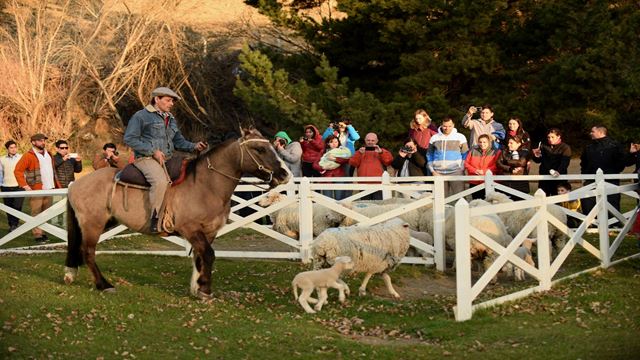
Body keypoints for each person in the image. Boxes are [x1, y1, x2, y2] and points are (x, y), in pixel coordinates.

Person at [123, 87, 207, 233]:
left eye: (172, 101)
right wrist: (152, 151)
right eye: (168, 100)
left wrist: (194, 146)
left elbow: (179, 141)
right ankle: (155, 219)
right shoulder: (141, 116)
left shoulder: (171, 119)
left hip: (167, 158)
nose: (171, 104)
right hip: (145, 158)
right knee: (161, 181)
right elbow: (129, 138)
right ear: (157, 99)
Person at [14, 133, 60, 242]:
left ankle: (43, 232)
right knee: (36, 212)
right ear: (33, 142)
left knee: (46, 212)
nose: (43, 142)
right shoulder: (28, 155)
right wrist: (25, 185)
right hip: (36, 188)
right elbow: (18, 171)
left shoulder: (49, 154)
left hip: (50, 188)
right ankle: (38, 235)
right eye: (40, 141)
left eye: (44, 140)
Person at [580, 125, 630, 216]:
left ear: (600, 132)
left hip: (611, 179)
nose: (590, 133)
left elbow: (622, 161)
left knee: (611, 202)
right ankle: (590, 223)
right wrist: (584, 175)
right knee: (588, 201)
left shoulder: (614, 145)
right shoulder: (589, 147)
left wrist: (613, 172)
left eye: (592, 131)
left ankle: (613, 223)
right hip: (591, 180)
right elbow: (584, 163)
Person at [427, 116, 469, 197]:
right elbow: (429, 154)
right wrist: (432, 171)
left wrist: (462, 168)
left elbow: (465, 154)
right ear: (441, 125)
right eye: (445, 126)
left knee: (460, 198)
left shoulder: (460, 137)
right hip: (438, 173)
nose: (447, 128)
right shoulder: (434, 138)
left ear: (453, 125)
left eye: (450, 126)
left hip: (456, 172)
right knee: (441, 200)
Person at [349, 132, 393, 200]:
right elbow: (353, 163)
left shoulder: (382, 151)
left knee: (379, 206)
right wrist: (359, 154)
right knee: (366, 206)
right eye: (368, 140)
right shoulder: (360, 152)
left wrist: (381, 152)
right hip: (363, 185)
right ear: (365, 140)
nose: (370, 142)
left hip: (379, 184)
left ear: (377, 141)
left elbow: (389, 162)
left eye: (373, 140)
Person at [531, 128, 571, 196]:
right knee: (543, 201)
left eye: (552, 137)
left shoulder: (565, 147)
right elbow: (538, 160)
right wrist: (535, 155)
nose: (550, 139)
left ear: (558, 136)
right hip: (544, 178)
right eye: (548, 137)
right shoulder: (543, 146)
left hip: (558, 179)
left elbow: (565, 162)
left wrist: (558, 171)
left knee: (557, 202)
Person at [313, 135, 352, 200]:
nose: (334, 144)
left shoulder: (342, 151)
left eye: (336, 142)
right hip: (326, 177)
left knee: (339, 198)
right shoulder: (323, 152)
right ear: (328, 143)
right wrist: (323, 167)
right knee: (328, 199)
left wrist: (335, 159)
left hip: (339, 176)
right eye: (331, 142)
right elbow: (315, 164)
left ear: (338, 142)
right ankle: (328, 210)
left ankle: (339, 210)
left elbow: (348, 160)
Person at [464, 134, 501, 199]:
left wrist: (484, 171)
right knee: (476, 202)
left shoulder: (496, 152)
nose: (482, 144)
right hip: (474, 181)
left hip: (490, 182)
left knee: (490, 203)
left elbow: (497, 165)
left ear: (489, 142)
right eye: (480, 142)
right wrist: (475, 170)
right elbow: (466, 164)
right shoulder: (473, 151)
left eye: (484, 142)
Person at [0, 140, 24, 232]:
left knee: (17, 206)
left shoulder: (22, 158)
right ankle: (12, 225)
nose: (14, 149)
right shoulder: (2, 159)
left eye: (15, 147)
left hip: (19, 186)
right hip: (6, 186)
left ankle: (15, 224)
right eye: (11, 148)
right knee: (8, 207)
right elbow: (0, 173)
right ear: (7, 149)